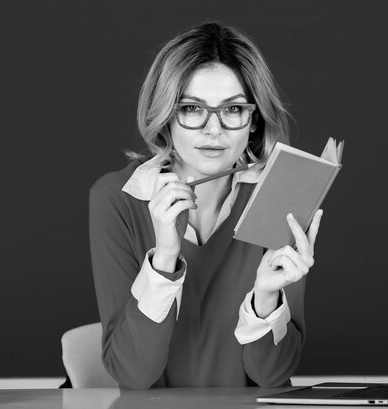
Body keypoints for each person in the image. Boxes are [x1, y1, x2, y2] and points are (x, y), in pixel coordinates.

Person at [89, 22, 323, 389]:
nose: (213, 130)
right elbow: (132, 374)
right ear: (165, 115)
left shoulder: (282, 194)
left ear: (254, 120)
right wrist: (165, 257)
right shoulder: (117, 197)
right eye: (191, 108)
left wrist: (266, 296)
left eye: (232, 110)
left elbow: (274, 376)